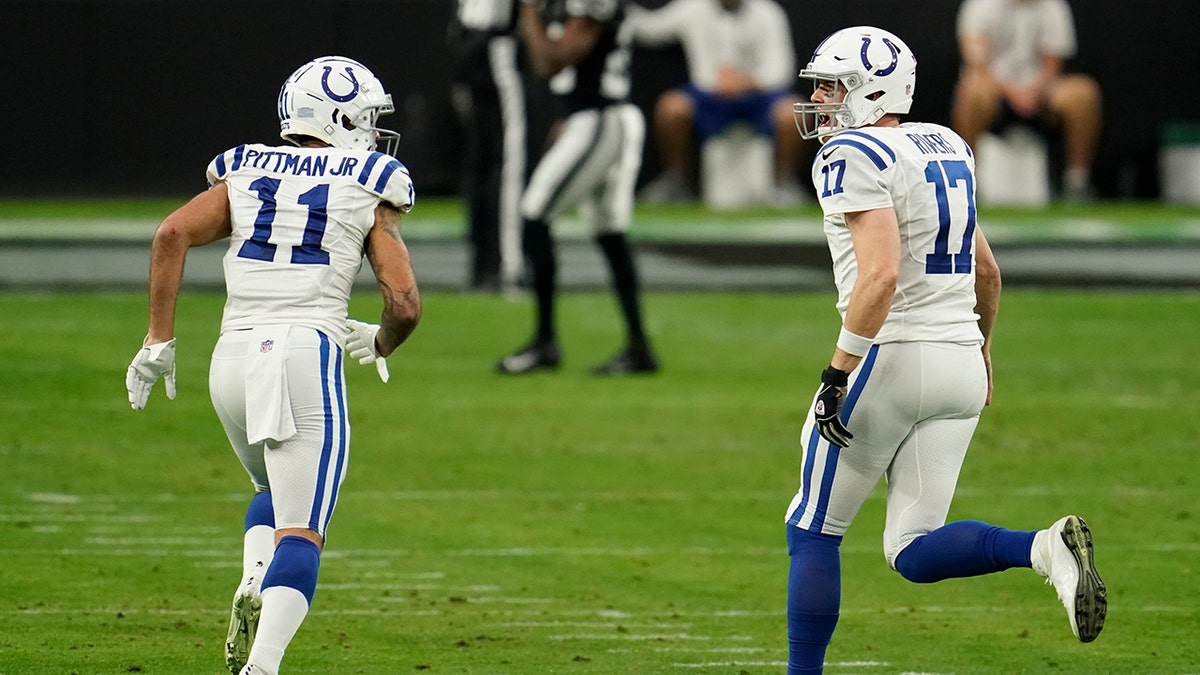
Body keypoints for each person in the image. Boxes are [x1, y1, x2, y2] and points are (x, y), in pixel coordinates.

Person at [782, 27, 1106, 674]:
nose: (818, 99)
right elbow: (987, 271)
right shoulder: (946, 143)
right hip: (960, 359)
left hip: (891, 356)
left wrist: (837, 372)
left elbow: (879, 277)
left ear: (873, 91)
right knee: (911, 547)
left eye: (832, 86)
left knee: (813, 530)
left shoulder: (850, 152)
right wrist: (982, 349)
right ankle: (1042, 548)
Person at [124, 56, 422, 675]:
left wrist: (158, 339)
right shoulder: (371, 178)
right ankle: (261, 667)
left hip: (230, 358)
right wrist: (383, 341)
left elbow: (171, 234)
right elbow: (404, 303)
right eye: (367, 117)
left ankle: (254, 576)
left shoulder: (244, 166)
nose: (374, 131)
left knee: (271, 489)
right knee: (303, 532)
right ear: (340, 118)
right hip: (303, 353)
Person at [496, 0, 659, 375]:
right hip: (594, 117)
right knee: (609, 232)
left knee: (535, 214)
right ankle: (639, 347)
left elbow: (553, 61)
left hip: (601, 118)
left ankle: (545, 343)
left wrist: (528, 11)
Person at [627, 0, 807, 206]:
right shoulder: (691, 8)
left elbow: (781, 69)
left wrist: (745, 81)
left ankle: (784, 184)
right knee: (671, 108)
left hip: (758, 97)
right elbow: (650, 30)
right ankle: (676, 182)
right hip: (709, 96)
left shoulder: (768, 13)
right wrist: (619, 8)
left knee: (792, 112)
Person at [951, 0, 1102, 202]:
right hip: (995, 92)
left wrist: (1033, 91)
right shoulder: (980, 5)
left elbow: (1052, 63)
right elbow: (978, 63)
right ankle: (969, 180)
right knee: (971, 90)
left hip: (1040, 94)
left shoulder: (1053, 7)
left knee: (1083, 93)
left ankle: (1077, 182)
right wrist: (1013, 92)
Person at [448, 0, 528, 291]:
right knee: (507, 164)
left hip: (468, 44)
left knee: (481, 164)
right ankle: (506, 265)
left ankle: (483, 267)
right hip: (494, 50)